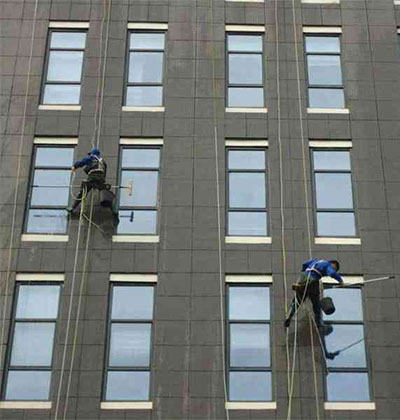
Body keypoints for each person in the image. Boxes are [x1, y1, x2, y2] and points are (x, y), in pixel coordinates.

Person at [284, 258, 343, 359]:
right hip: (313, 280)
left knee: (297, 301)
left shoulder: (316, 261)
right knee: (316, 305)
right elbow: (332, 273)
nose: (334, 269)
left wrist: (304, 273)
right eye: (335, 267)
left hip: (303, 278)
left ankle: (290, 315)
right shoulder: (327, 264)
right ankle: (318, 324)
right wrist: (340, 281)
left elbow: (304, 263)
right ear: (332, 264)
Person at [66, 147, 113, 214]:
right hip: (100, 179)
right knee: (104, 192)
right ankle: (113, 209)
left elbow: (82, 162)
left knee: (83, 192)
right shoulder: (103, 162)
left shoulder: (91, 158)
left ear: (92, 154)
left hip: (92, 178)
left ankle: (72, 208)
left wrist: (74, 166)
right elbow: (105, 172)